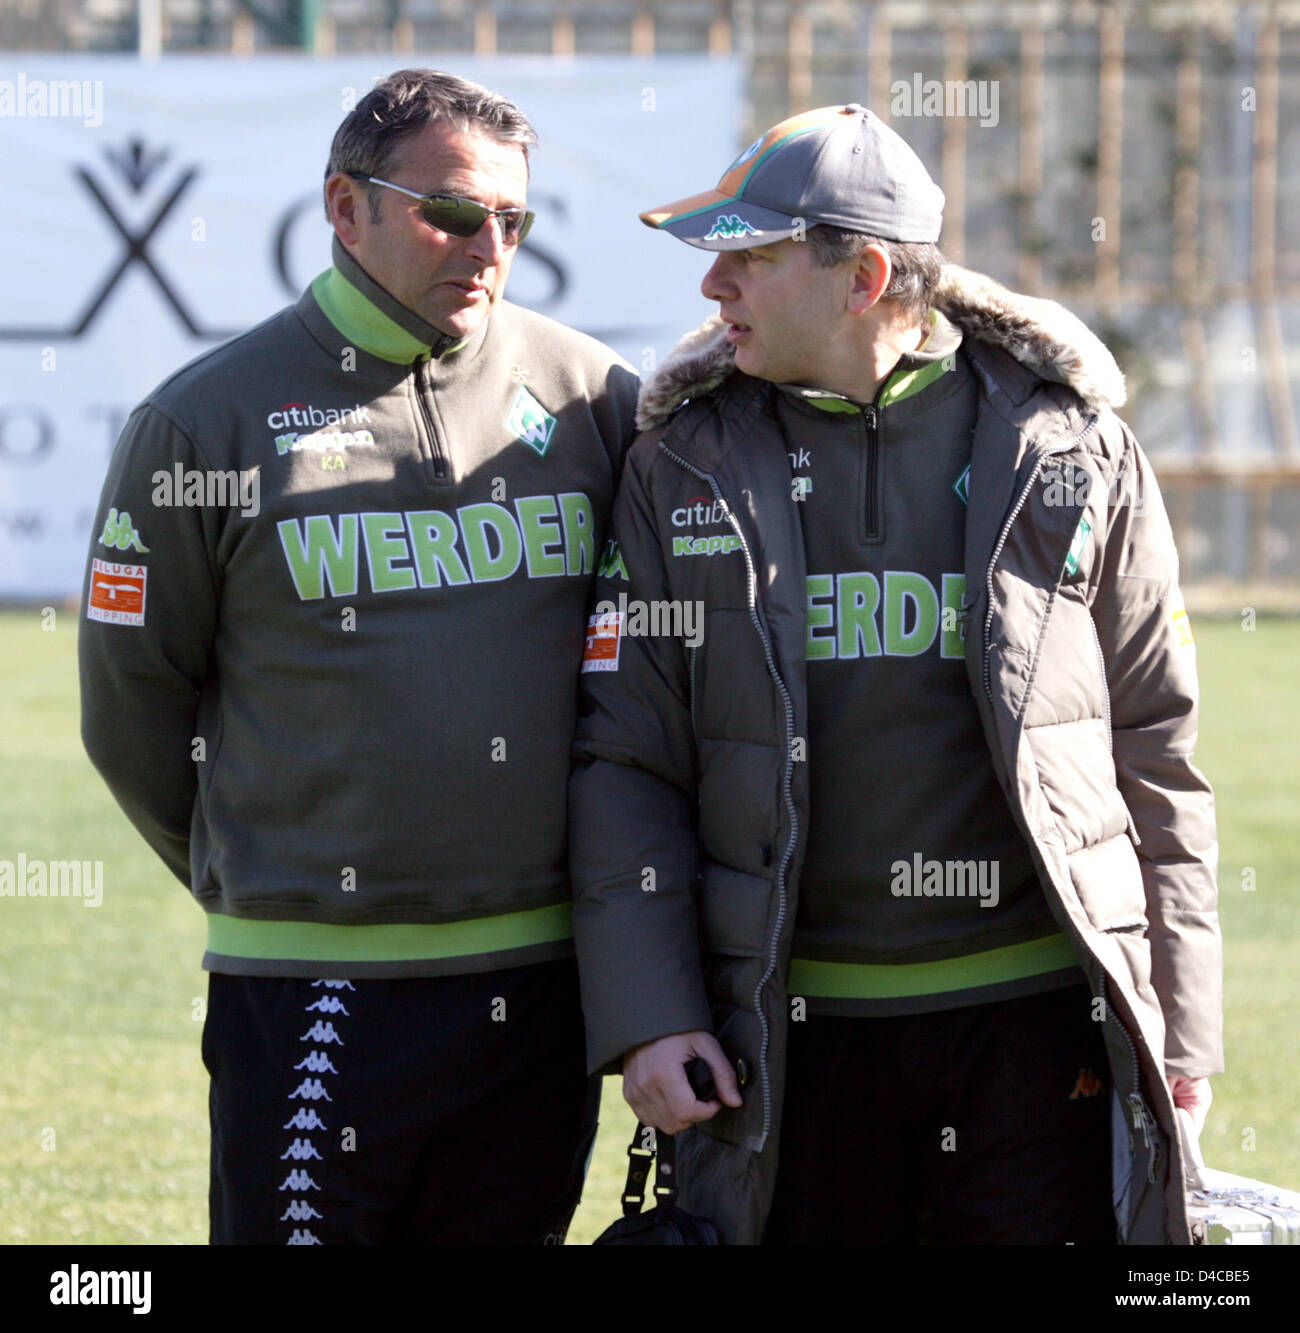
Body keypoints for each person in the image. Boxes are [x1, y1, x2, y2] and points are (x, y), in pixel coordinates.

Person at [569, 103, 1221, 1245]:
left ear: (862, 274)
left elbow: (1153, 747)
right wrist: (651, 1016)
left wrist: (1181, 1027)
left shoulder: (1071, 446)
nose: (713, 287)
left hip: (1036, 1034)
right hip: (786, 1040)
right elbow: (627, 756)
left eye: (749, 257)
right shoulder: (676, 462)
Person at [79, 68, 638, 1245]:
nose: (487, 246)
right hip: (313, 979)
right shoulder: (203, 423)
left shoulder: (595, 399)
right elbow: (132, 705)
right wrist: (275, 868)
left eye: (513, 221)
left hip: (539, 981)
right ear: (346, 206)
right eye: (450, 212)